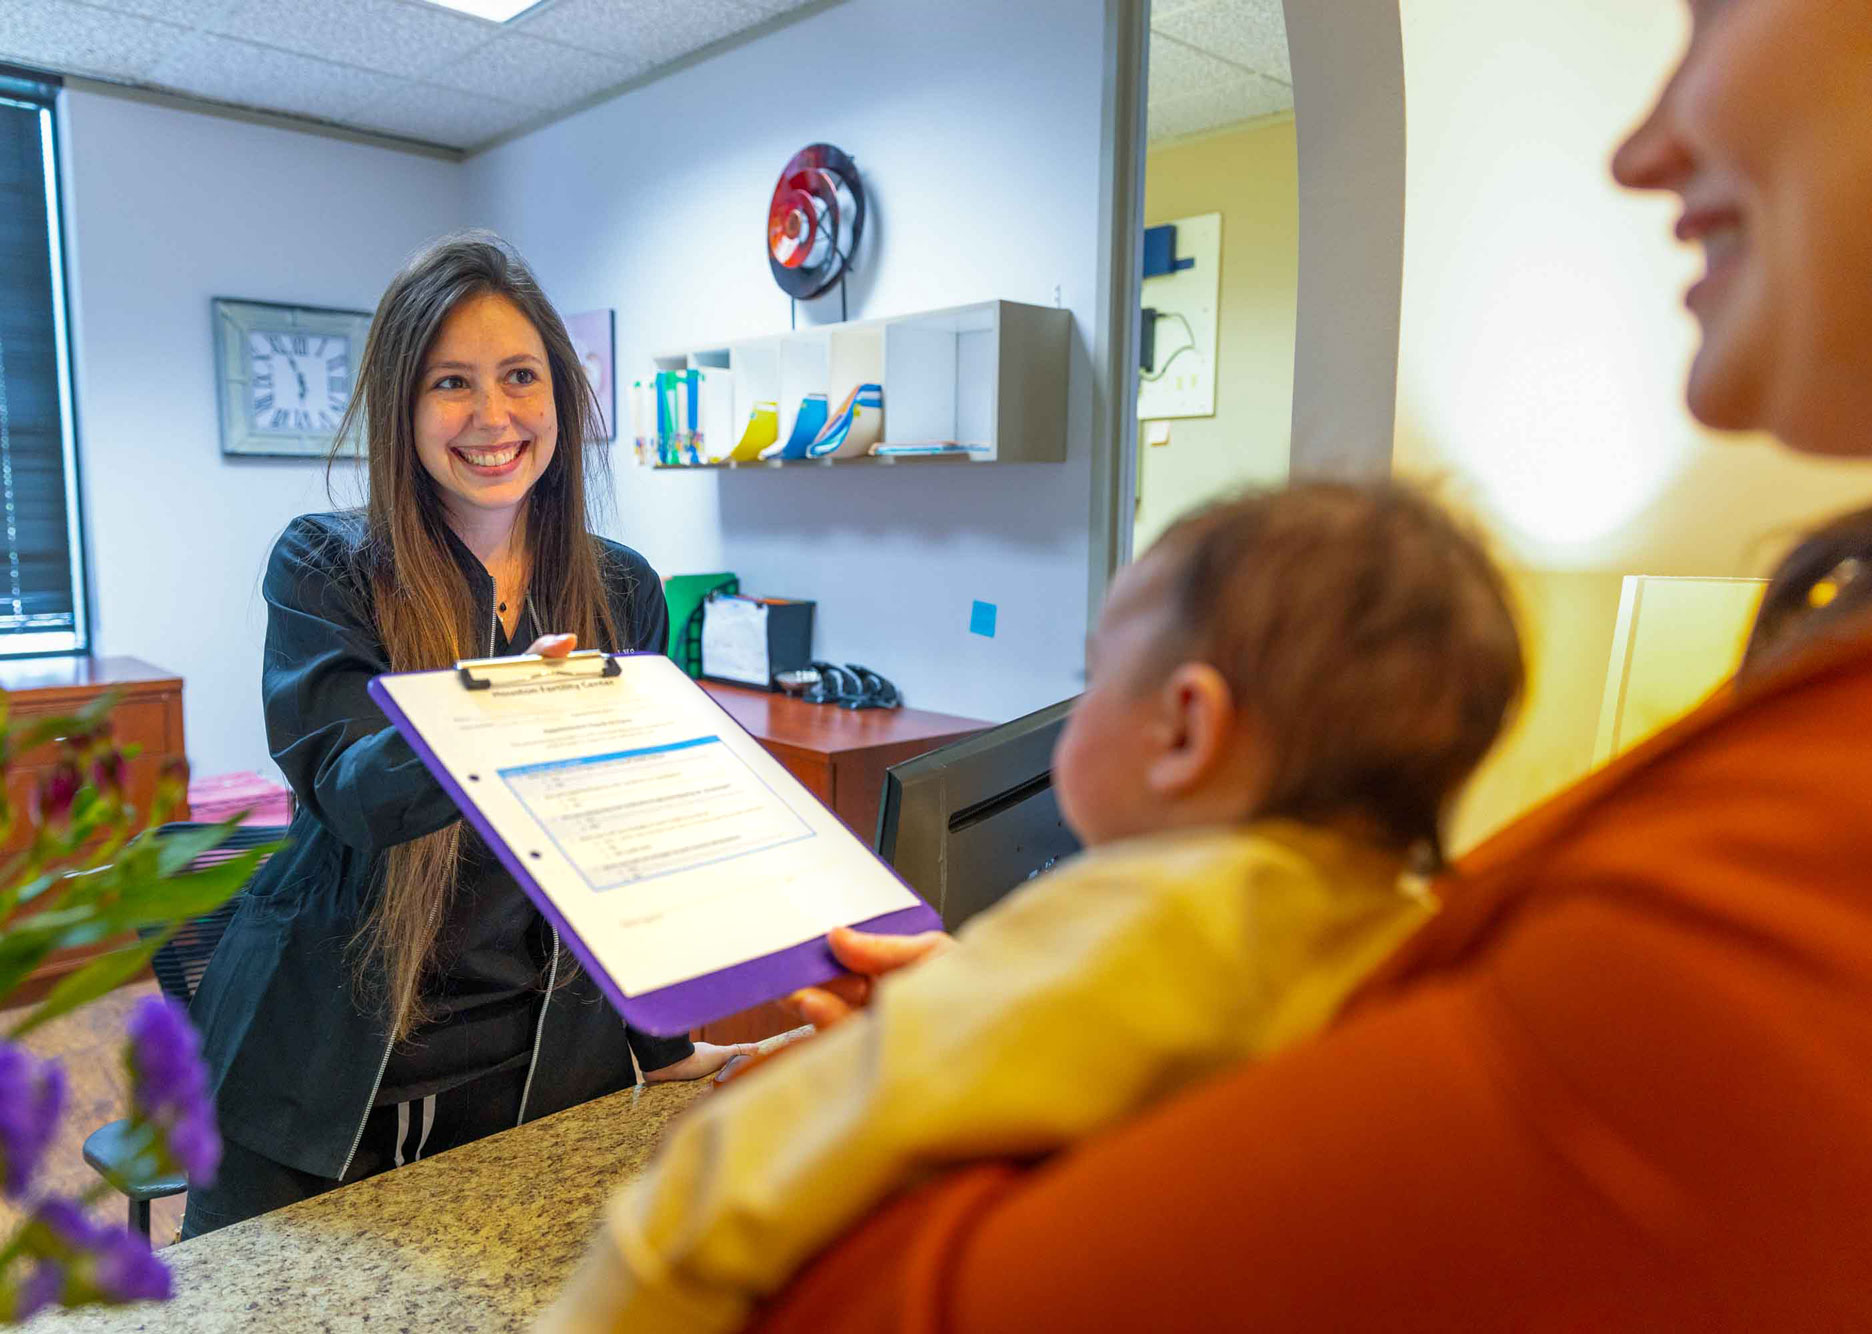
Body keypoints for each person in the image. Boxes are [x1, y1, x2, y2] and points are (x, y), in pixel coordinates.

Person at [728, 0, 1872, 1327]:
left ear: (1188, 727)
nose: (1640, 149)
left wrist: (906, 1085)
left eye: (1716, 12)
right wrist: (1011, 1027)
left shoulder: (1800, 854)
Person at [545, 481, 1525, 1330]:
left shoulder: (1147, 919)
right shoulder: (1400, 925)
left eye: (1095, 678)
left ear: (1186, 729)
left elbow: (757, 1170)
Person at [184, 232, 747, 1238]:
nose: (493, 416)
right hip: (324, 1071)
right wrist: (497, 711)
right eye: (452, 382)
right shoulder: (326, 566)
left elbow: (621, 858)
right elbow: (352, 792)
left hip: (534, 1064)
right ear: (401, 408)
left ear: (560, 397)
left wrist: (660, 1045)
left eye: (520, 376)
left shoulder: (621, 588)